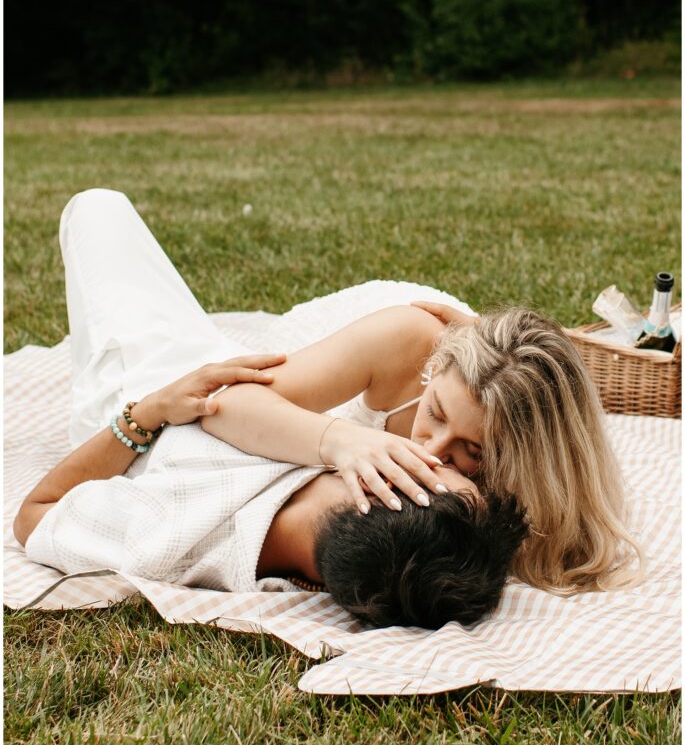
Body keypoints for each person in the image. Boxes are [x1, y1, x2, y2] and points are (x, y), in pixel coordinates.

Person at [15, 188, 640, 607]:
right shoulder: (419, 346)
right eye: (436, 413)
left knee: (100, 211)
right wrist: (340, 437)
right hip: (199, 384)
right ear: (436, 371)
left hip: (156, 423)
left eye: (471, 453)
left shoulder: (468, 523)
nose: (430, 448)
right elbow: (226, 397)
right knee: (98, 207)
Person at [14, 357, 528, 629]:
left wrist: (144, 413)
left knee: (96, 208)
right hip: (220, 370)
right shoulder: (331, 550)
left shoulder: (164, 535)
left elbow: (35, 513)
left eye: (436, 470)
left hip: (133, 383)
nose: (436, 454)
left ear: (385, 486)